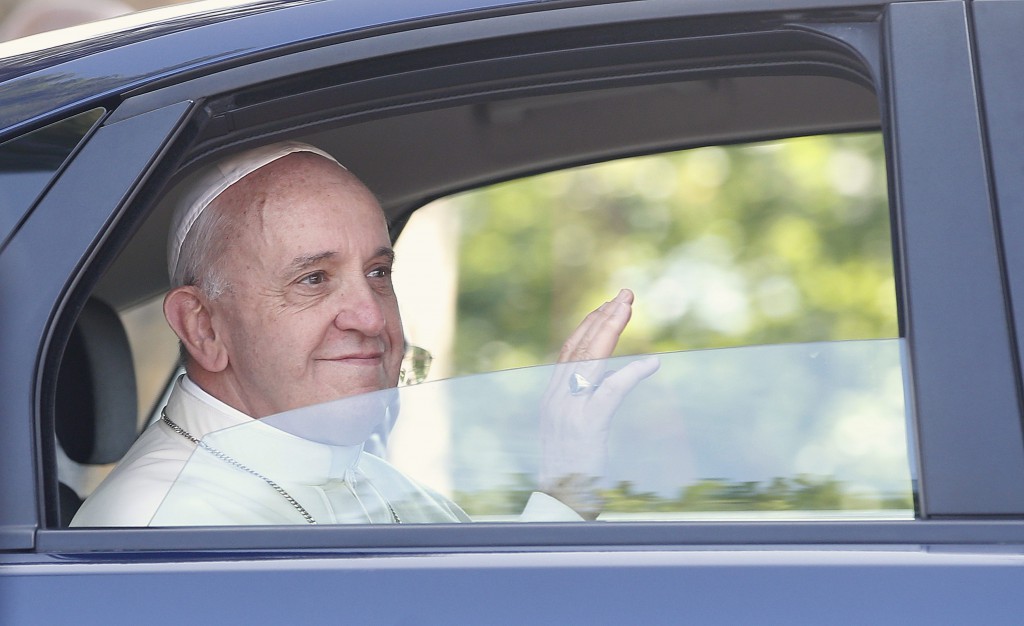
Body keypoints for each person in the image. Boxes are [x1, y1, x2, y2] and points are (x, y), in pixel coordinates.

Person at [71, 141, 657, 527]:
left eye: (378, 273)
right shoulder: (164, 529)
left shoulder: (389, 488)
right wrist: (564, 491)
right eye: (313, 279)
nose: (371, 318)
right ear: (204, 328)